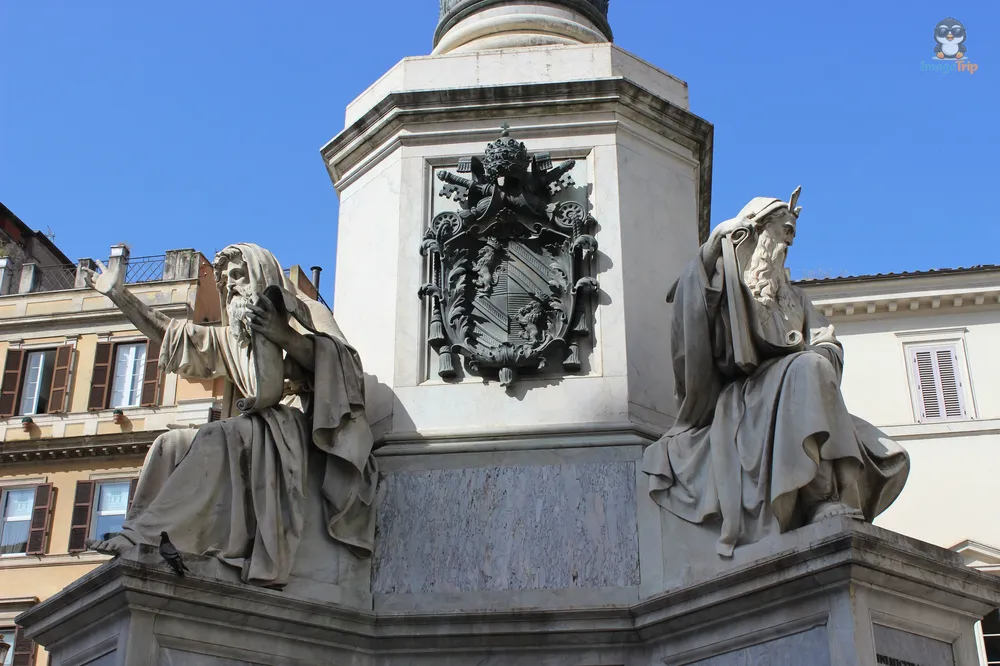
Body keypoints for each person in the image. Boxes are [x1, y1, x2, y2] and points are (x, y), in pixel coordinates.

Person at [83, 243, 377, 588]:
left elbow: (347, 368)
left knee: (218, 434)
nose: (232, 286)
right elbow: (172, 336)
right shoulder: (234, 338)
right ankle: (140, 534)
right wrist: (119, 295)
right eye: (225, 281)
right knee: (170, 443)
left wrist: (282, 335)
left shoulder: (305, 312)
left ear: (261, 274)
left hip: (306, 429)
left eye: (238, 276)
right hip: (258, 424)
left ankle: (148, 536)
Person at [641, 190, 910, 557]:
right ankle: (820, 499)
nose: (788, 241)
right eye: (784, 230)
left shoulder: (797, 299)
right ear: (757, 229)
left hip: (797, 388)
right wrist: (714, 246)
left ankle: (822, 497)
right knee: (806, 368)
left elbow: (826, 342)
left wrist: (820, 355)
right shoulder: (730, 280)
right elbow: (691, 310)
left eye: (792, 234)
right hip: (746, 394)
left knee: (811, 367)